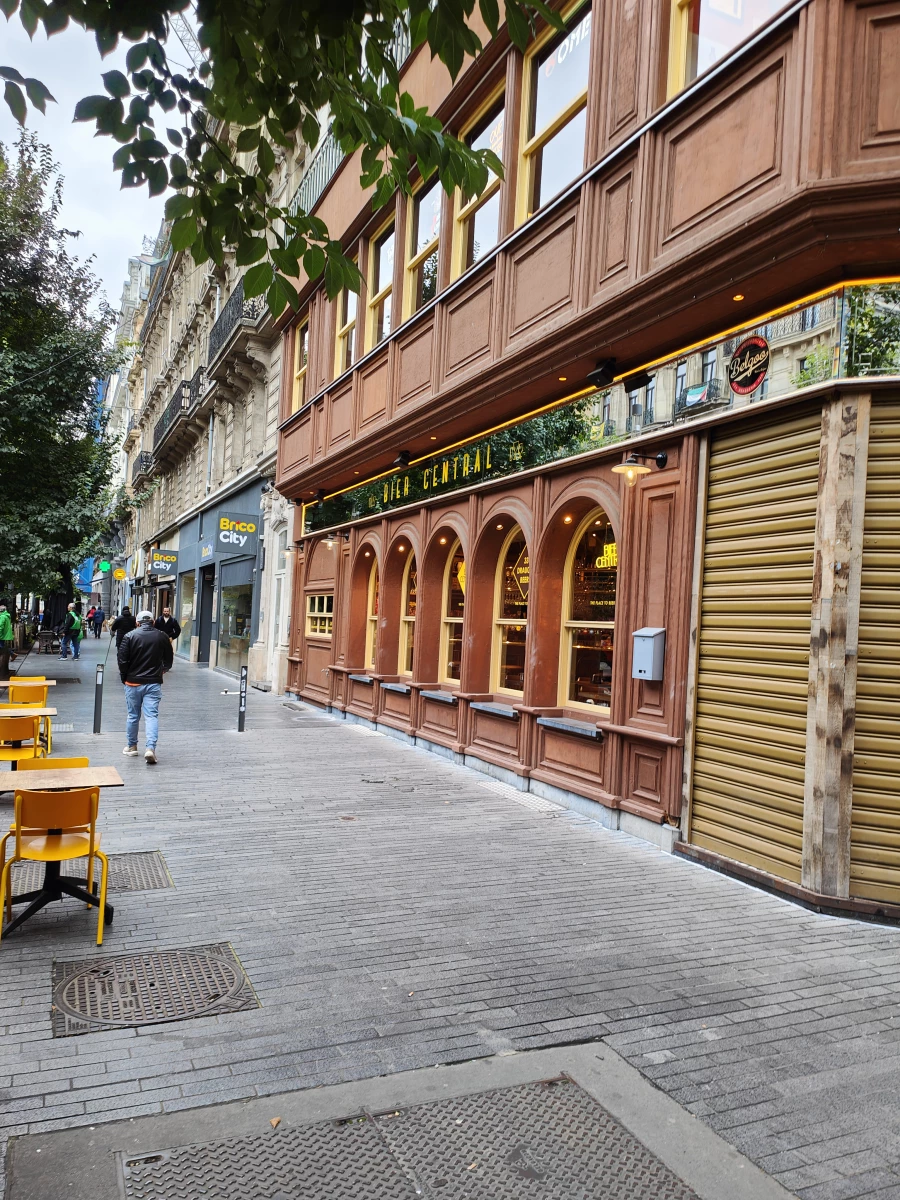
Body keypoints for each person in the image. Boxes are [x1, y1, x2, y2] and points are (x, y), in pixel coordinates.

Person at [118, 609, 173, 764]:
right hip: (153, 683)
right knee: (151, 716)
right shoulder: (162, 636)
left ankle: (132, 746)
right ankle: (150, 748)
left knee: (133, 715)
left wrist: (125, 678)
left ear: (137, 622)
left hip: (132, 682)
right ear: (153, 622)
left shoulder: (129, 636)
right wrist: (162, 670)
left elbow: (122, 660)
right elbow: (169, 659)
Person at [0, 601, 14, 682]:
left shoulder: (2, 617)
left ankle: (12, 654)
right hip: (4, 636)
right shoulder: (6, 615)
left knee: (2, 648)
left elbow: (0, 627)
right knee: (2, 647)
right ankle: (12, 654)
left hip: (1, 636)